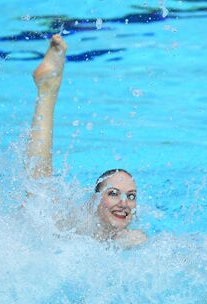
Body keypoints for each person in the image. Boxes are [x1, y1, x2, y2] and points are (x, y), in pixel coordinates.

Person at [26, 34, 146, 247]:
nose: (123, 203)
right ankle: (47, 89)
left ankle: (47, 89)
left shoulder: (134, 238)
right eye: (113, 193)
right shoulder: (75, 226)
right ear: (94, 201)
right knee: (38, 195)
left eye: (131, 196)